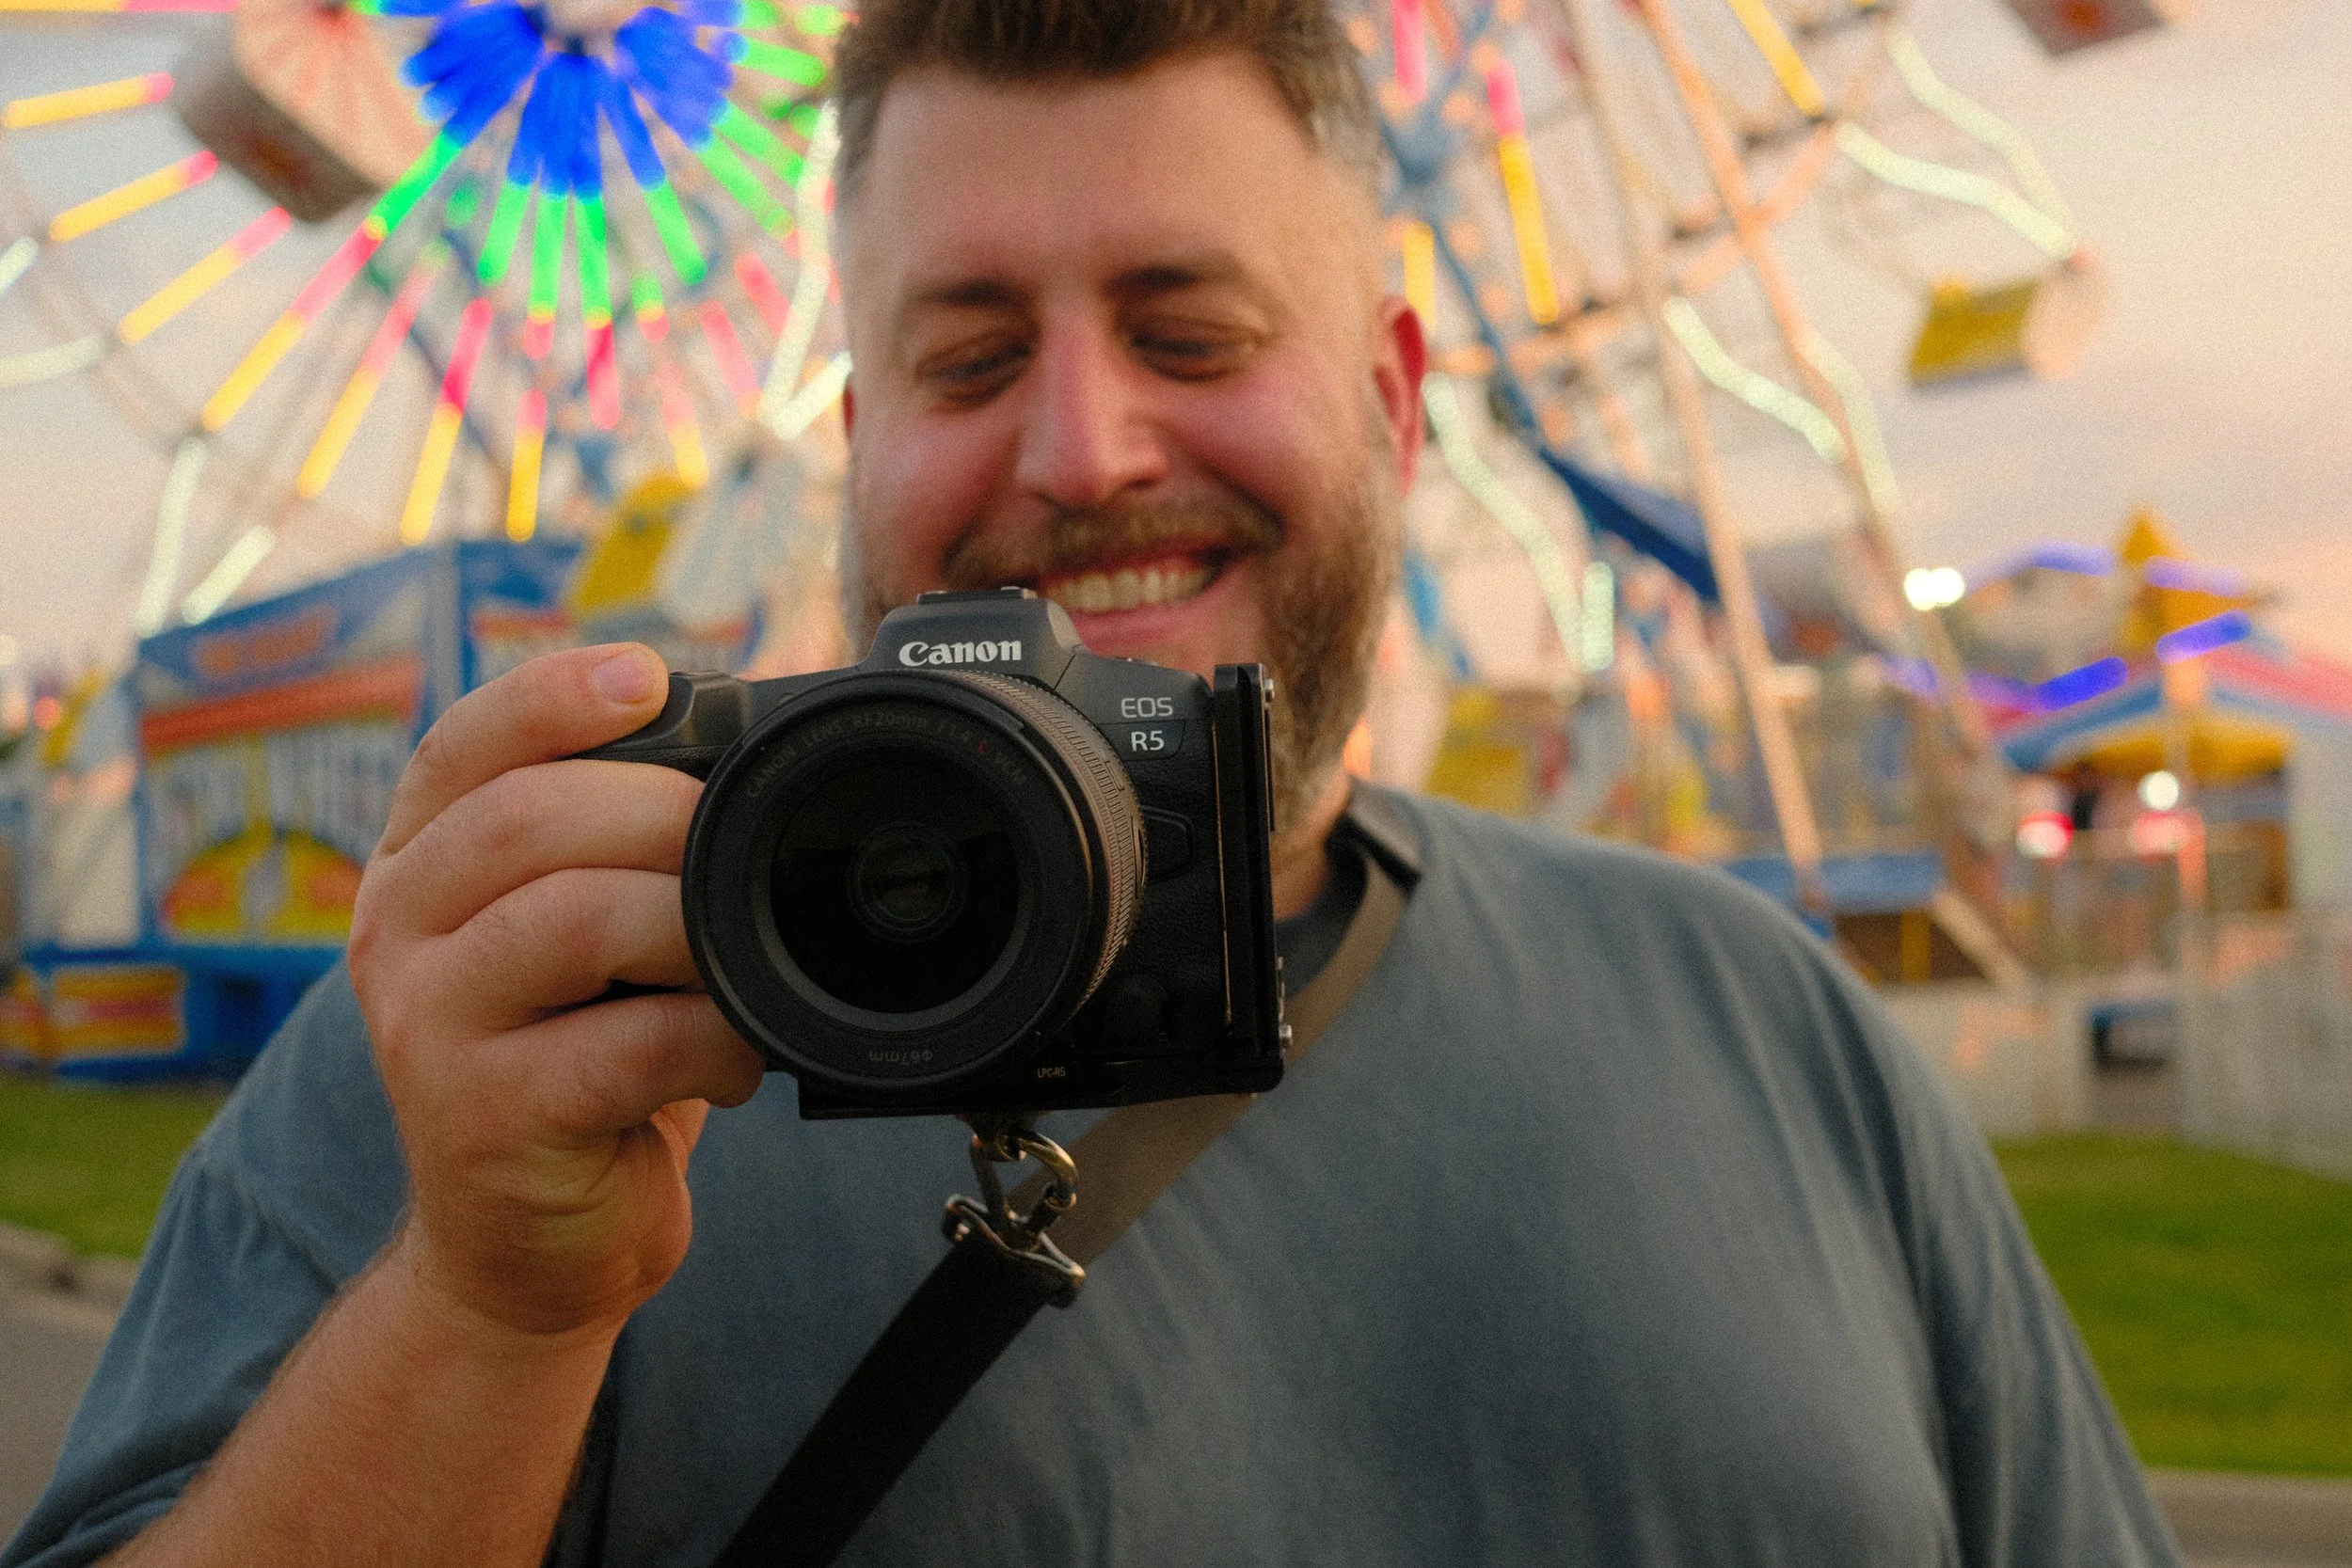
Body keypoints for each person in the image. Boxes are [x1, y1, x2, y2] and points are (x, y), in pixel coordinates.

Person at [8, 3, 2183, 1565]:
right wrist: (484, 1308)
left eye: (1191, 330)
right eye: (964, 360)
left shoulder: (1770, 1025)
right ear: (854, 435)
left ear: (1395, 395)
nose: (1076, 450)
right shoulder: (530, 1053)